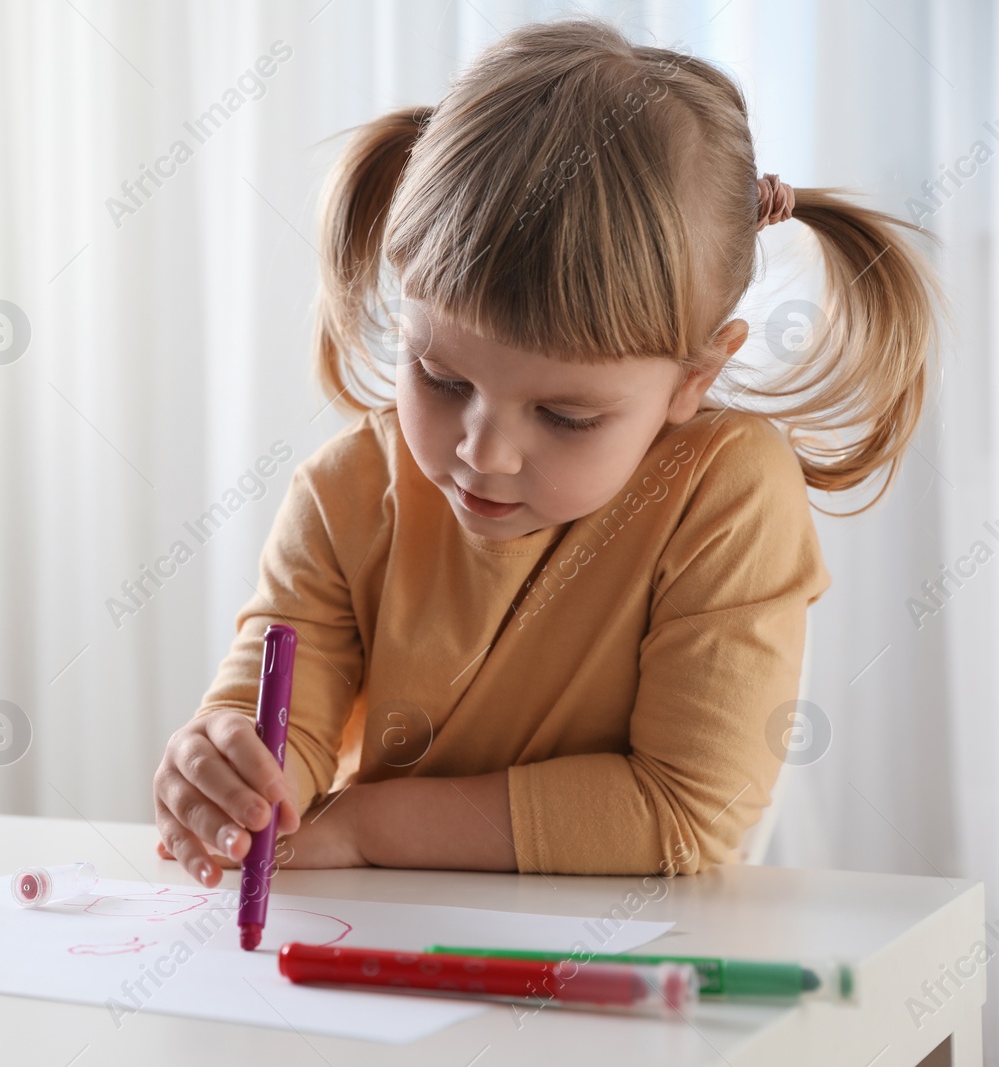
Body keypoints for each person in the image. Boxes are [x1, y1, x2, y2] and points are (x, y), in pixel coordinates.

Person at [152, 17, 942, 881]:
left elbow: (684, 814)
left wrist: (369, 824)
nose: (483, 453)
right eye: (441, 378)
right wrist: (229, 768)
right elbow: (282, 724)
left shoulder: (728, 491)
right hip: (372, 952)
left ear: (694, 376)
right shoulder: (346, 492)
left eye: (565, 416)